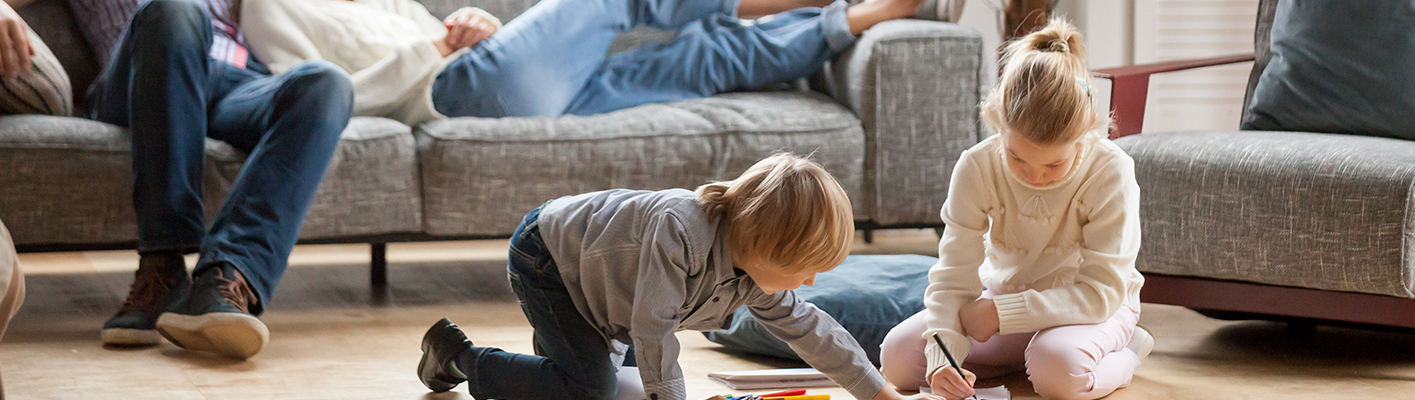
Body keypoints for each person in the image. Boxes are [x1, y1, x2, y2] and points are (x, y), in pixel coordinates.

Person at [417, 154, 943, 400]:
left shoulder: (759, 274)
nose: (807, 283)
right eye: (802, 268)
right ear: (761, 244)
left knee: (596, 384)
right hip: (550, 258)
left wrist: (877, 393)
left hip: (605, 288)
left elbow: (811, 329)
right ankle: (458, 357)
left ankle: (555, 370)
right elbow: (653, 330)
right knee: (591, 390)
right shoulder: (680, 230)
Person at [876, 19, 1152, 400]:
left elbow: (1101, 292)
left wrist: (1001, 314)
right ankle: (1026, 356)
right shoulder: (976, 165)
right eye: (1017, 159)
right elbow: (954, 277)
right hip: (1007, 301)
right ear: (996, 119)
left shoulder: (1111, 171)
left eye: (1054, 165)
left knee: (1057, 373)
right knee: (897, 361)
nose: (1035, 177)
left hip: (1096, 309)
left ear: (1087, 128)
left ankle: (1126, 352)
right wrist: (944, 357)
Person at [85, 0, 355, 360]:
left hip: (231, 79)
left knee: (327, 84)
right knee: (175, 8)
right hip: (142, 71)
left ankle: (227, 275)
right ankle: (161, 267)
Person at [238, 0, 952, 125]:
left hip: (493, 77)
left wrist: (469, 25)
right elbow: (326, 95)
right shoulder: (266, 8)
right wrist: (435, 48)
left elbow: (433, 31)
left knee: (696, 62)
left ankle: (858, 16)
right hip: (461, 91)